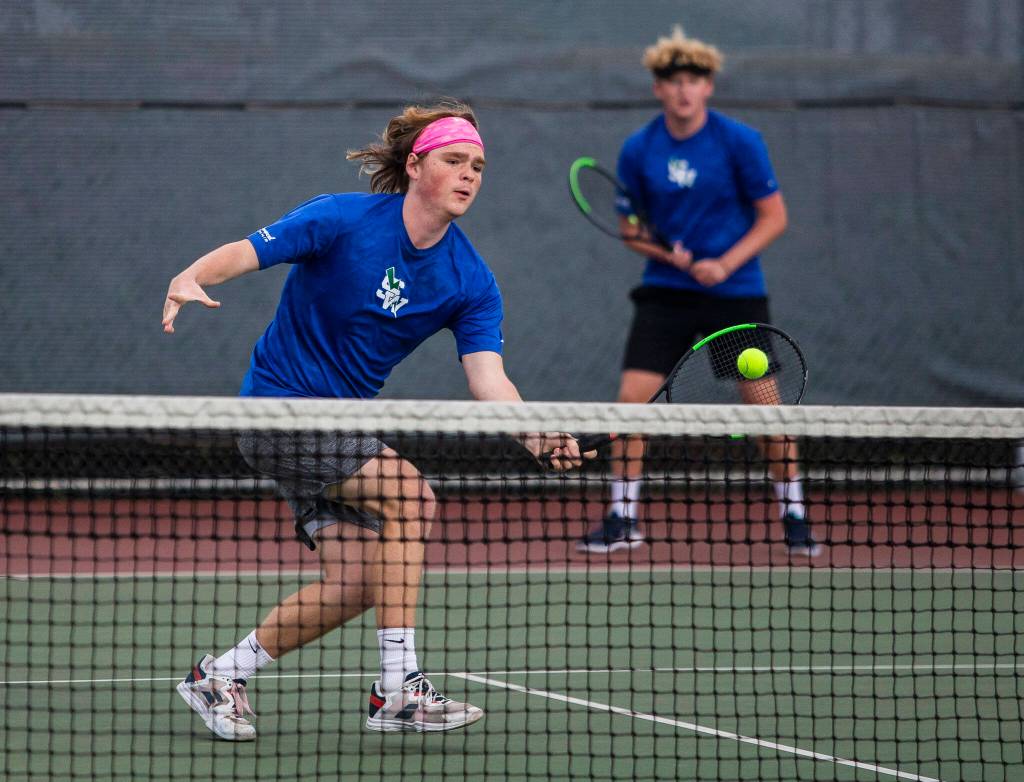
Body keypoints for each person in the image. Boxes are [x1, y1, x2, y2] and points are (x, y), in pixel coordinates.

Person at [162, 100, 585, 741]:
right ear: (416, 165)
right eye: (453, 160)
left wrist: (535, 432)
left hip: (339, 431)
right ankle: (397, 691)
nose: (469, 174)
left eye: (478, 165)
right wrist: (191, 275)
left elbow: (488, 378)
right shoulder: (341, 218)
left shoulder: (471, 280)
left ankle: (220, 675)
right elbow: (249, 252)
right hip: (278, 410)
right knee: (411, 496)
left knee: (362, 582)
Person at [576, 27, 820, 557]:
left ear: (709, 87)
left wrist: (724, 263)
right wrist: (672, 256)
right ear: (659, 89)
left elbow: (773, 217)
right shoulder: (639, 149)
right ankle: (622, 516)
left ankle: (794, 510)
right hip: (666, 294)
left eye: (695, 80)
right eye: (674, 82)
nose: (684, 91)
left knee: (764, 412)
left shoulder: (740, 142)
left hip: (735, 296)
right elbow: (631, 231)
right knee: (630, 406)